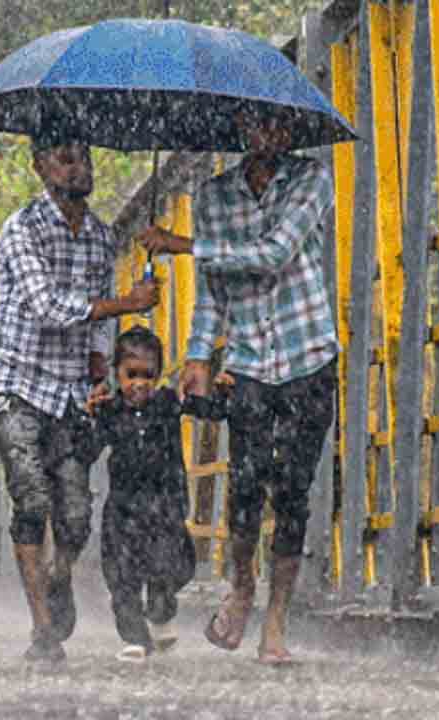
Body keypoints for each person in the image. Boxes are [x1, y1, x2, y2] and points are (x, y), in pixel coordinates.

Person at [137, 105, 339, 664]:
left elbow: (274, 253)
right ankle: (243, 585)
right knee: (246, 488)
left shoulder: (312, 179)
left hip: (307, 355)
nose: (266, 133)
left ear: (292, 130)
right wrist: (199, 354)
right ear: (241, 127)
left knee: (292, 492)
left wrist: (182, 245)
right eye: (255, 122)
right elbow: (213, 291)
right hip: (248, 361)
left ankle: (276, 625)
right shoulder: (213, 196)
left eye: (277, 123)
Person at [0, 129, 161, 663]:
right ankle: (43, 630)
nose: (78, 167)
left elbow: (98, 331)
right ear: (40, 166)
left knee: (77, 516)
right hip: (15, 381)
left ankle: (57, 578)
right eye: (65, 158)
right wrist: (127, 301)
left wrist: (101, 367)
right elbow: (49, 306)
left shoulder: (103, 238)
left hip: (67, 390)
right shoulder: (21, 229)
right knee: (32, 498)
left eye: (85, 156)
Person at [83, 327, 229, 664]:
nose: (139, 384)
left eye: (148, 375)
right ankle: (135, 637)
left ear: (159, 375)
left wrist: (220, 393)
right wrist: (88, 418)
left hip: (165, 505)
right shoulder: (111, 410)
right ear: (116, 374)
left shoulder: (167, 403)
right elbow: (87, 451)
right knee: (121, 576)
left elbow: (211, 412)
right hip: (123, 509)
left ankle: (161, 611)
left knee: (172, 566)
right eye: (130, 375)